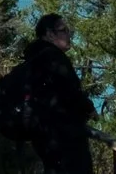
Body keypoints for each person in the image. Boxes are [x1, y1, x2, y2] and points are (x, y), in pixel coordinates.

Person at [11, 13, 94, 174]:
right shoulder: (54, 58)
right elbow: (71, 91)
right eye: (63, 30)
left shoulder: (34, 57)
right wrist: (89, 108)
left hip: (41, 134)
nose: (69, 34)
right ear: (49, 34)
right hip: (62, 137)